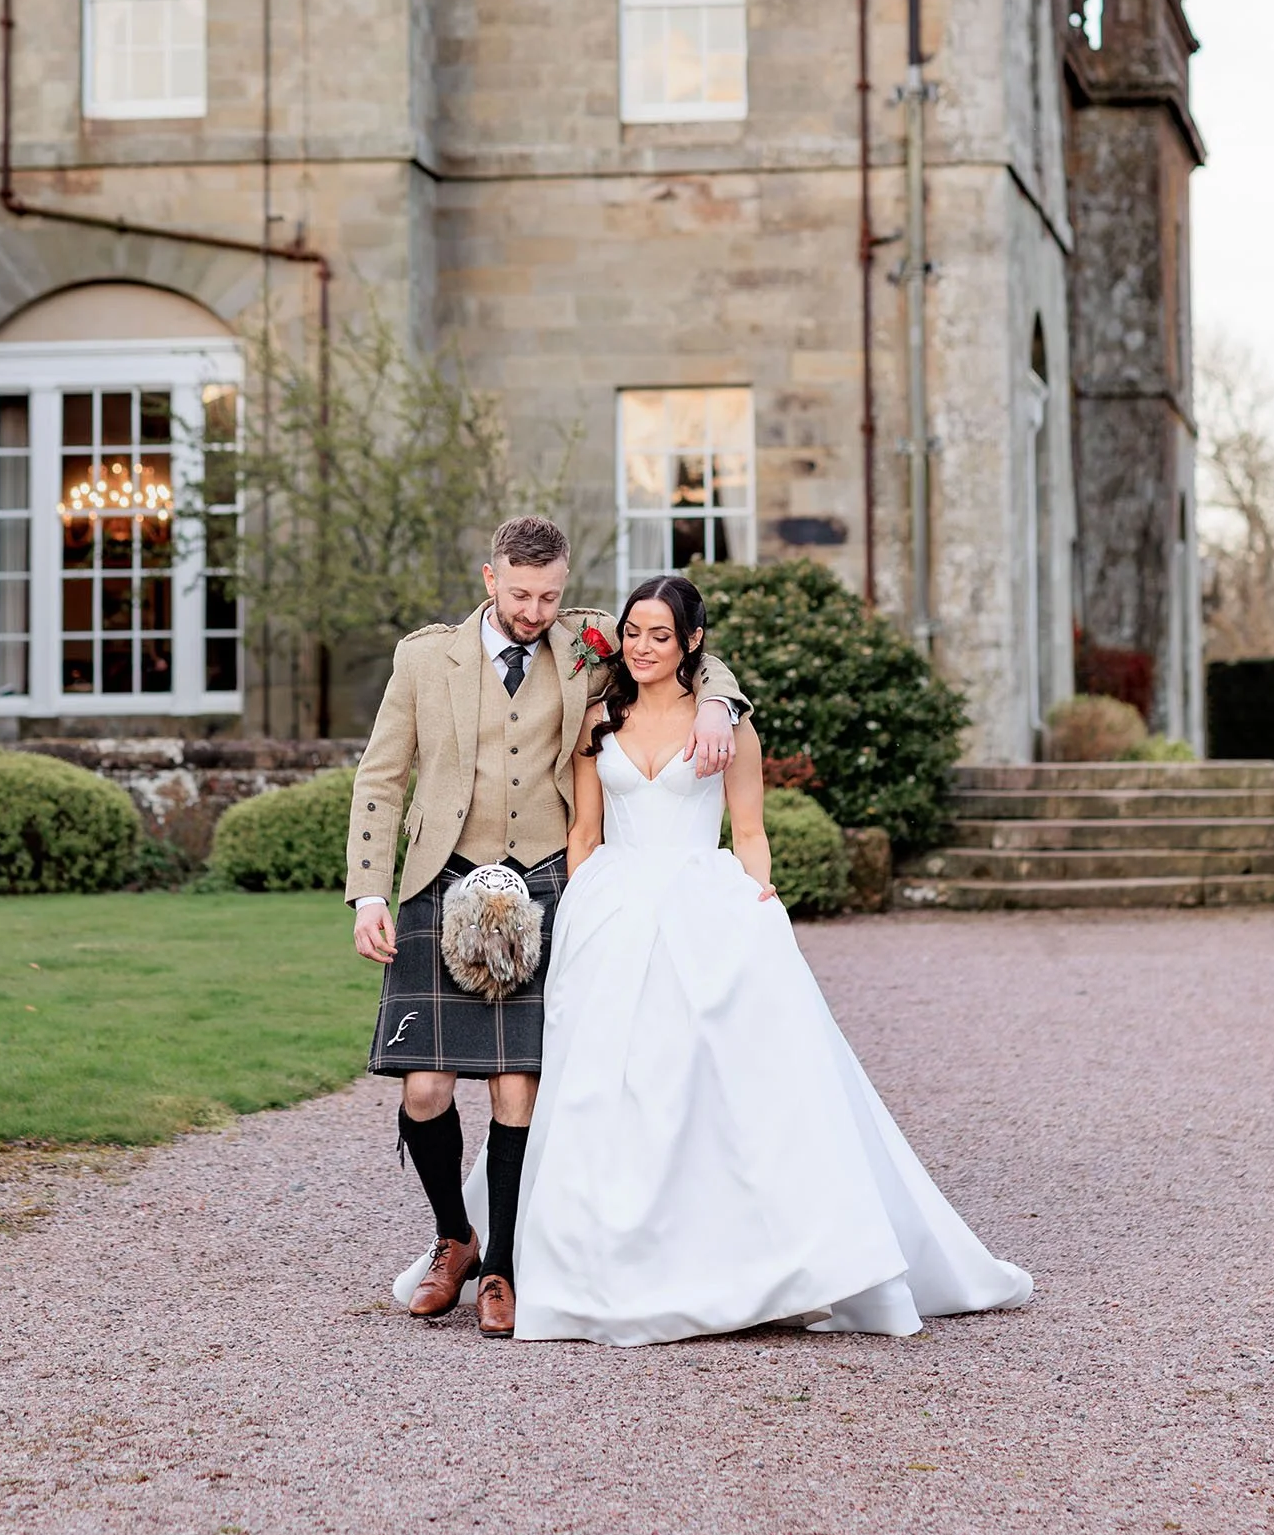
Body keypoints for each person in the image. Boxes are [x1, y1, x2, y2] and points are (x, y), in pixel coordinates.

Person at [403, 571, 1034, 1343]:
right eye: (632, 632)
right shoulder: (596, 718)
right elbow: (583, 834)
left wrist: (760, 901)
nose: (641, 646)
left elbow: (751, 833)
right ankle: (575, 1256)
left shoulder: (727, 723)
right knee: (601, 1083)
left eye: (660, 635)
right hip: (611, 905)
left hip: (703, 901)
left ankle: (746, 1258)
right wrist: (561, 917)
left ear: (691, 641)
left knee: (713, 1080)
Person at [348, 518, 750, 1338]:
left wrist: (719, 701)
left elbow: (679, 643)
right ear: (488, 575)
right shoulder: (425, 657)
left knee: (516, 1087)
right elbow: (382, 776)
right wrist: (367, 892)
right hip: (442, 877)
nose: (536, 610)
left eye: (551, 595)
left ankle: (502, 1269)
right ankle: (453, 1239)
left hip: (545, 881)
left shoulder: (584, 642)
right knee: (424, 1089)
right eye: (522, 593)